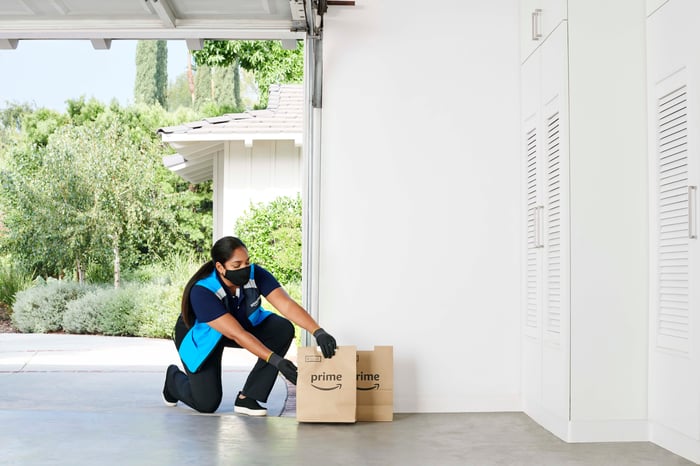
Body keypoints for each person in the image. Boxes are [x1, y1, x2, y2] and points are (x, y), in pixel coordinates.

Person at [161, 236, 337, 415]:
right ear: (220, 267)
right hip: (202, 336)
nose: (245, 269)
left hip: (240, 327)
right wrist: (277, 361)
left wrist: (318, 331)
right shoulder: (203, 291)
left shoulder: (256, 274)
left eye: (247, 262)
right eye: (237, 266)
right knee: (206, 403)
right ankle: (173, 380)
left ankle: (249, 397)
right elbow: (236, 334)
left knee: (282, 329)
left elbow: (286, 304)